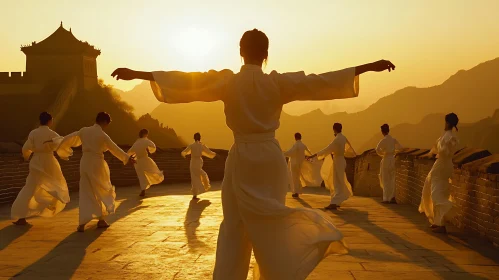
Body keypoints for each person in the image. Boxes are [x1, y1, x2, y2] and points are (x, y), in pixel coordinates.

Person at [111, 28, 395, 280]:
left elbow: (187, 81)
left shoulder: (228, 82)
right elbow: (318, 82)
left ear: (240, 52)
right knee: (271, 220)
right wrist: (367, 67)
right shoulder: (277, 83)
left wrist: (139, 74)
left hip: (243, 157)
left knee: (235, 225)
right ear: (266, 54)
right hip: (271, 159)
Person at [57, 112, 135, 232]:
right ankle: (101, 220)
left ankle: (83, 223)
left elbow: (69, 138)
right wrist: (127, 158)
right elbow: (114, 148)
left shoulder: (84, 131)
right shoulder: (102, 135)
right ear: (104, 122)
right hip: (97, 163)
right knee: (100, 190)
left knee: (86, 191)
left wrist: (58, 143)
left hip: (85, 162)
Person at [11, 112, 70, 225]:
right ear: (49, 121)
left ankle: (21, 215)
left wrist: (25, 157)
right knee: (55, 183)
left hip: (36, 160)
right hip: (49, 161)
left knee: (30, 187)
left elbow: (26, 147)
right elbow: (61, 144)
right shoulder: (52, 133)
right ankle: (52, 204)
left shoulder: (33, 133)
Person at [419, 113, 459, 234]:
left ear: (447, 123)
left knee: (436, 194)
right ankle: (438, 222)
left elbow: (443, 151)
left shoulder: (449, 137)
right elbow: (436, 150)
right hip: (444, 165)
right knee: (435, 190)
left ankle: (446, 215)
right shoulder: (449, 136)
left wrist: (439, 150)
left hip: (442, 166)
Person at [308, 123, 356, 210]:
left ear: (334, 129)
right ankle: (337, 200)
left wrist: (314, 155)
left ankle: (334, 202)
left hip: (337, 161)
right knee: (339, 180)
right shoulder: (343, 138)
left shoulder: (337, 139)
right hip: (342, 160)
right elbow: (349, 150)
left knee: (337, 181)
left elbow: (327, 149)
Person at [127, 129, 164, 197]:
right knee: (153, 171)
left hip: (138, 162)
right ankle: (144, 188)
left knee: (141, 176)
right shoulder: (146, 141)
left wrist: (128, 157)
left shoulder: (136, 143)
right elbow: (153, 147)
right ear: (145, 134)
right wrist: (149, 149)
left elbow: (130, 151)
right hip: (145, 159)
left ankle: (143, 189)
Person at [181, 133, 217, 200]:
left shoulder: (191, 145)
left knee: (194, 178)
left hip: (193, 162)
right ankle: (200, 189)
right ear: (200, 138)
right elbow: (209, 152)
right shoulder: (202, 146)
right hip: (199, 162)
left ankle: (195, 194)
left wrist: (184, 155)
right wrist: (214, 154)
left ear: (194, 138)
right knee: (200, 174)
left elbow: (184, 152)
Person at [283, 133, 320, 198]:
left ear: (295, 137)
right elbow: (308, 153)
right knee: (298, 177)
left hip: (294, 164)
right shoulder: (303, 145)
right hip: (300, 164)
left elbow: (290, 152)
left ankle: (296, 192)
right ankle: (298, 191)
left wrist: (282, 153)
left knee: (294, 178)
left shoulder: (296, 145)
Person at [375, 124, 403, 204]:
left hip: (386, 160)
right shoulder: (393, 139)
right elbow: (401, 147)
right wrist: (395, 153)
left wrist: (383, 154)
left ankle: (386, 198)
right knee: (392, 179)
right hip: (392, 159)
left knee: (385, 179)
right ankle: (392, 197)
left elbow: (377, 149)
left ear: (382, 131)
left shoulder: (383, 140)